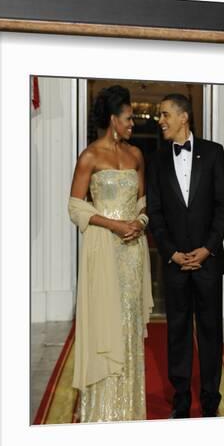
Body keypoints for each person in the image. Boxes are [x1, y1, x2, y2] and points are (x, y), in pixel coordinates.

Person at [68, 85, 153, 423]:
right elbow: (75, 207)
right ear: (113, 119)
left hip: (133, 253)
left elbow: (144, 202)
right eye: (129, 118)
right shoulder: (90, 156)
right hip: (103, 250)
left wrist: (140, 222)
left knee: (128, 321)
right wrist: (114, 225)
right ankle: (101, 412)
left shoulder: (136, 156)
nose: (134, 124)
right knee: (106, 321)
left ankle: (129, 409)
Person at [147, 94, 224, 418]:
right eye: (159, 115)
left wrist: (207, 249)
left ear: (183, 117)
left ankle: (211, 402)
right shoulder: (156, 161)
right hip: (175, 265)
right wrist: (172, 254)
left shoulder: (213, 153)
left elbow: (222, 207)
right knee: (178, 334)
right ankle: (180, 400)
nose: (161, 120)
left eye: (165, 114)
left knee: (210, 334)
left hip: (208, 263)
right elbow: (155, 213)